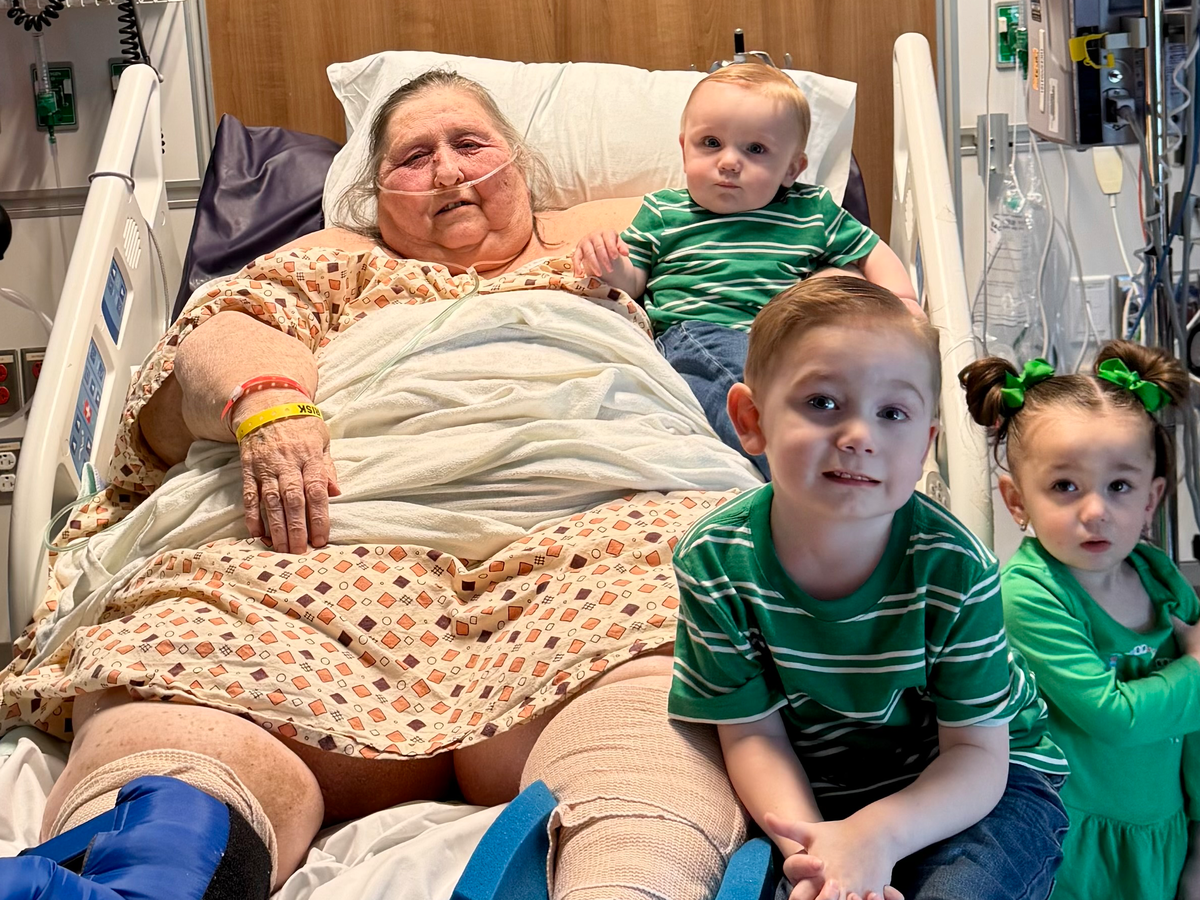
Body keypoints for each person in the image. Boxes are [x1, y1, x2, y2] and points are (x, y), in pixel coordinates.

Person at [0, 70, 764, 900]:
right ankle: (142, 876)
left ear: (522, 161)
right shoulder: (344, 256)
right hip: (323, 546)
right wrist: (267, 400)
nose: (448, 171)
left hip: (602, 530)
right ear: (374, 193)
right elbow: (214, 349)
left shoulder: (620, 236)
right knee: (180, 669)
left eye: (469, 144)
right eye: (413, 157)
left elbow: (795, 258)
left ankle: (630, 874)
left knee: (670, 661)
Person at [668, 277, 1070, 900]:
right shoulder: (715, 562)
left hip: (979, 781)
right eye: (823, 402)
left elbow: (976, 755)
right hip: (820, 790)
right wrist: (818, 855)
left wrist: (877, 835)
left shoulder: (956, 569)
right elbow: (752, 735)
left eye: (892, 413)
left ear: (924, 445)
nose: (860, 435)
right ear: (751, 420)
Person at [571, 64, 919, 475]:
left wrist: (901, 300)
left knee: (829, 386)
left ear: (791, 168)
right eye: (711, 143)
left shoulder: (811, 211)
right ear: (684, 149)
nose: (729, 162)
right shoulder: (664, 212)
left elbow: (871, 251)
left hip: (786, 343)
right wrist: (610, 263)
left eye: (755, 149)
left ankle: (835, 455)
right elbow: (633, 281)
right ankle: (800, 471)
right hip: (697, 335)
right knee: (740, 388)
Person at [960, 343, 1200, 900]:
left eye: (1120, 486)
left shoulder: (1160, 579)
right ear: (1017, 500)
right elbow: (1113, 716)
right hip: (1073, 840)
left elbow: (1193, 730)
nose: (1095, 511)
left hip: (1161, 832)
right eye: (1065, 486)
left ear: (1151, 499)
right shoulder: (1028, 594)